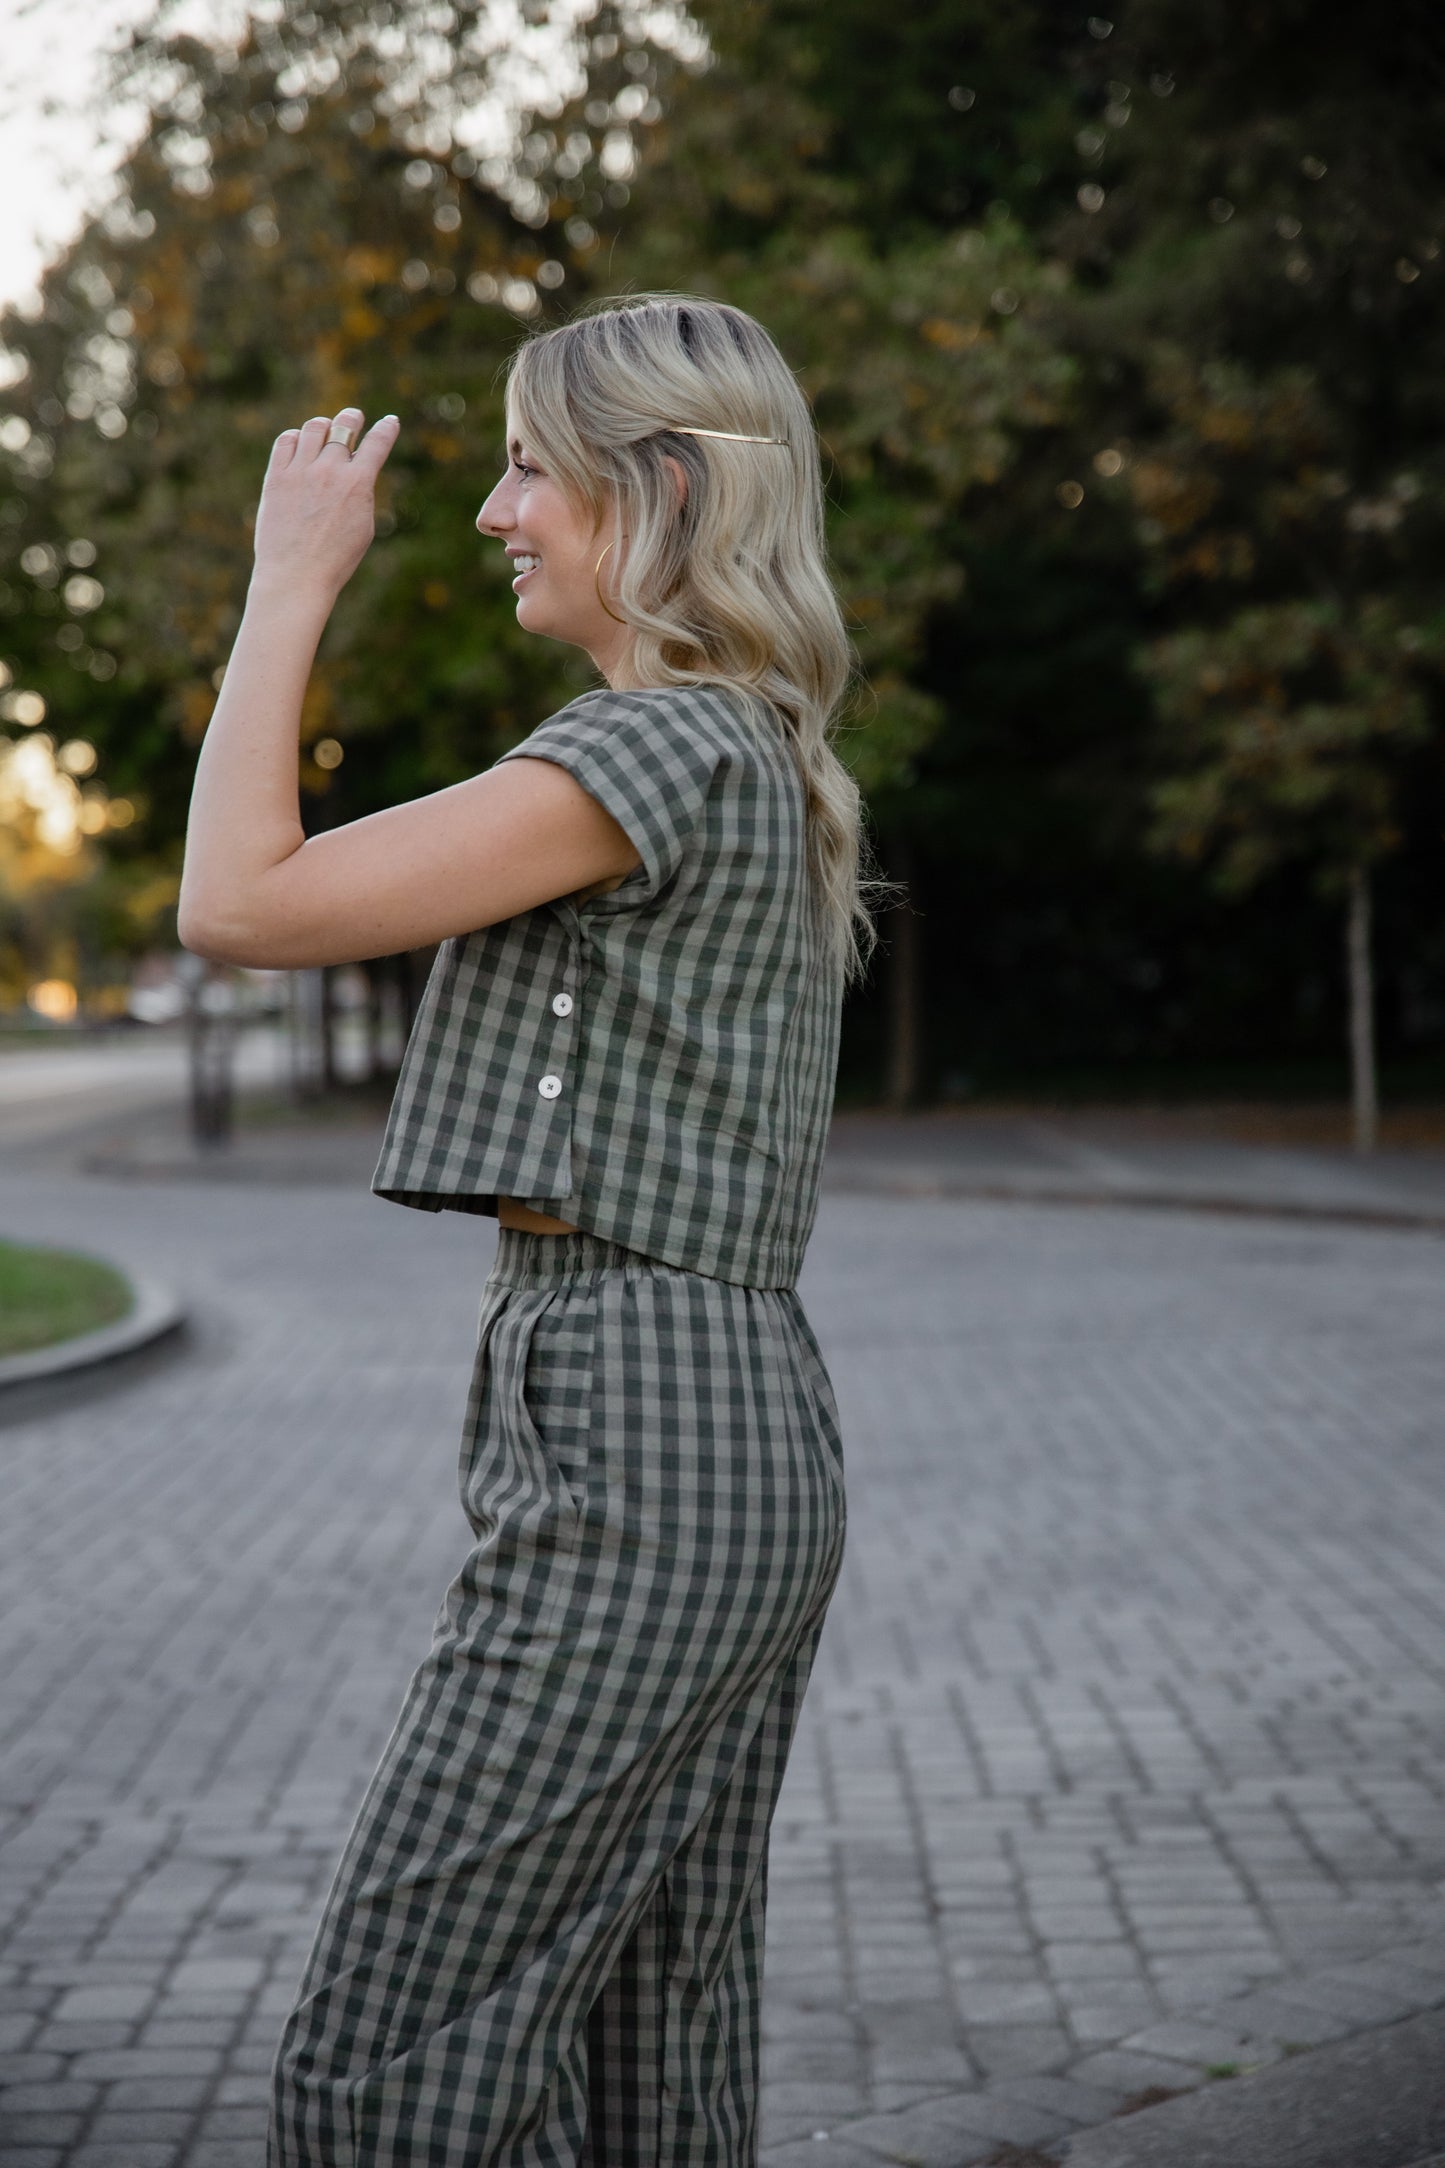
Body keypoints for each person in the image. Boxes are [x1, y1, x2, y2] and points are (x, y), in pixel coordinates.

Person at [178, 294, 877, 2167]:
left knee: (389, 2055)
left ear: (650, 492)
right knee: (657, 2045)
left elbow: (239, 903)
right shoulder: (742, 746)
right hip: (720, 1411)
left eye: (520, 469)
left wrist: (289, 579)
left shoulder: (651, 751)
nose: (493, 512)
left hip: (646, 1402)